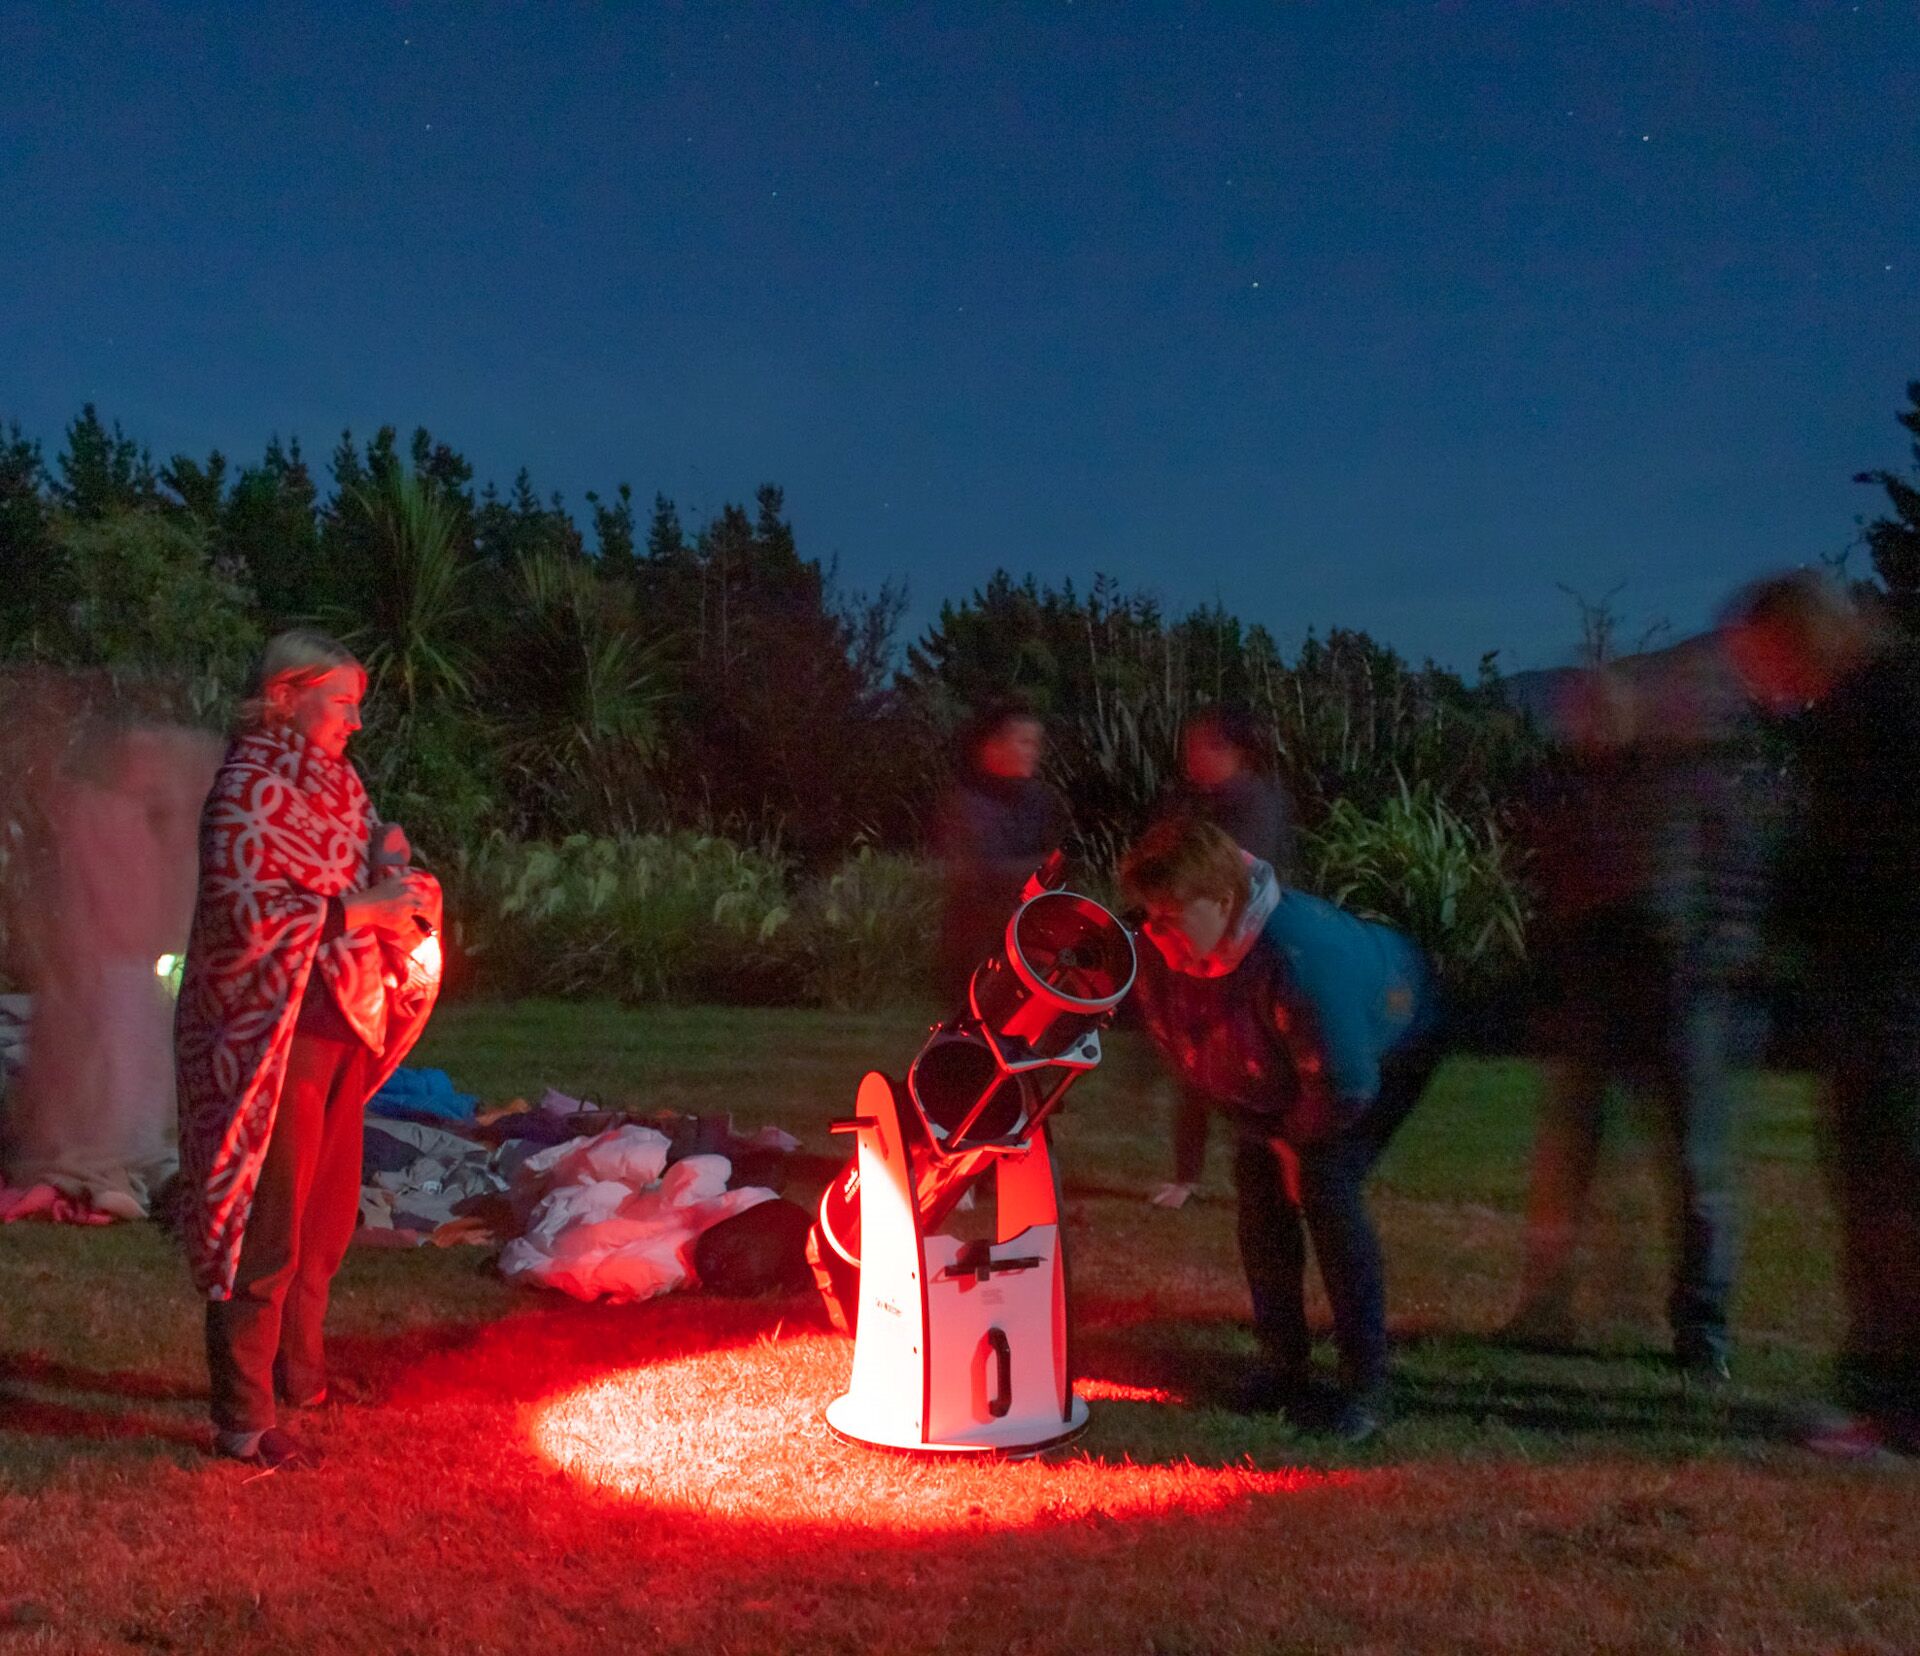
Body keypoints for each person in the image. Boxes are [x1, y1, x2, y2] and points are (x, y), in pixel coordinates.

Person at [175, 631, 443, 1470]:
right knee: (268, 1224)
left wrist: (398, 880)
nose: (355, 723)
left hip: (340, 1030)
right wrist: (363, 911)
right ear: (286, 697)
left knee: (324, 1225)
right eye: (341, 703)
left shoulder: (342, 789)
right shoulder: (247, 792)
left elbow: (358, 881)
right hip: (269, 1039)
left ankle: (303, 1377)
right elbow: (245, 921)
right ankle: (245, 1418)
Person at [1121, 815, 1442, 1441]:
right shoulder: (1176, 948)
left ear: (1220, 899)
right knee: (1258, 1184)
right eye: (1149, 919)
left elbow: (1345, 1086)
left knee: (1326, 1185)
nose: (1156, 938)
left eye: (1169, 918)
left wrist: (1297, 1143)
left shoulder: (1299, 956)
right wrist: (1263, 1130)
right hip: (1284, 1063)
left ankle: (1366, 1385)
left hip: (1387, 1038)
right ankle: (1282, 1366)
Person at [1503, 663, 1763, 1385]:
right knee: (1567, 1160)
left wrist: (1707, 962)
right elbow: (1555, 887)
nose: (1577, 728)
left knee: (1694, 1167)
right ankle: (1545, 1307)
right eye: (1570, 717)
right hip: (1596, 1001)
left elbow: (1738, 883)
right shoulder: (1577, 792)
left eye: (1590, 713)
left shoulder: (1689, 785)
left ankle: (1702, 1326)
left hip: (1683, 1004)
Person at [1722, 572, 1920, 1456]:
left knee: (1891, 1196)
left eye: (1758, 658)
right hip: (1873, 990)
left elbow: (1860, 861)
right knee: (1879, 1191)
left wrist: (1797, 922)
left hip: (1890, 997)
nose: (1756, 681)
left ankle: (1900, 1410)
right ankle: (1884, 1393)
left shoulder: (1874, 718)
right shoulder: (1868, 711)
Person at [1150, 706, 1301, 1208]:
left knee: (1248, 1063)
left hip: (1245, 951)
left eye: (1202, 747)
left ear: (1229, 750)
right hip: (1205, 950)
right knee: (1195, 1060)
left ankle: (1276, 1168)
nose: (1192, 758)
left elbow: (1237, 873)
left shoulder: (1256, 802)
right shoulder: (1197, 802)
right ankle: (1189, 1176)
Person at [932, 699, 1071, 1006]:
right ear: (992, 747)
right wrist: (1039, 869)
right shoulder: (966, 804)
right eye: (1023, 742)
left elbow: (1062, 864)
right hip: (979, 945)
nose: (1032, 752)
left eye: (1036, 744)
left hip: (1031, 942)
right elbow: (974, 873)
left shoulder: (1041, 801)